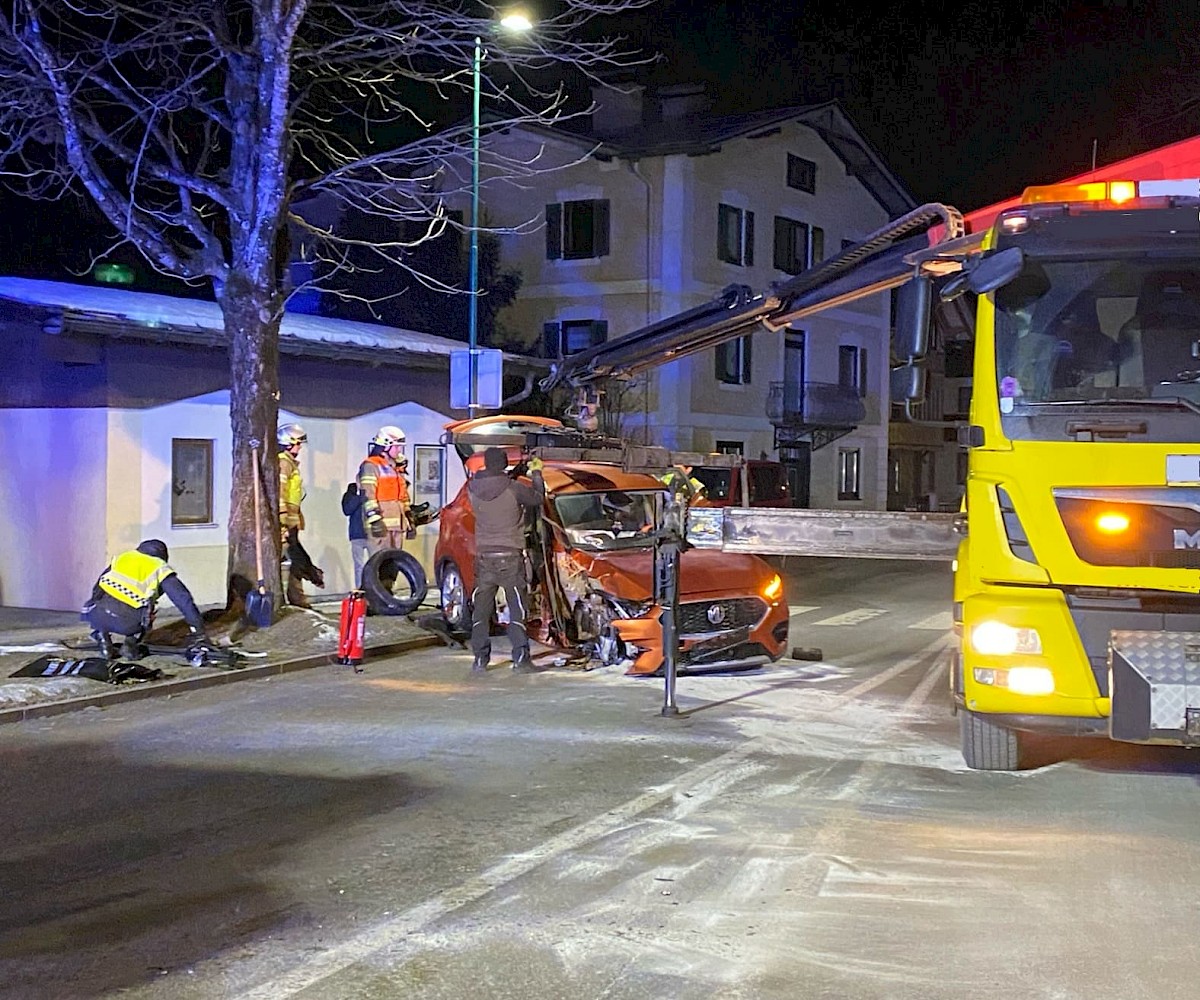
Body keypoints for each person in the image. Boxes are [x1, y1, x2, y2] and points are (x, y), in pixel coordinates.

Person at [467, 447, 546, 674]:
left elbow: (494, 486)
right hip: (510, 556)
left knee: (481, 611)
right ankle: (521, 660)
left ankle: (480, 660)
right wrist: (536, 473)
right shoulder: (513, 487)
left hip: (484, 557)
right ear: (503, 464)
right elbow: (537, 498)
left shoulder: (472, 487)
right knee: (517, 609)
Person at [82, 539, 212, 663]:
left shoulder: (124, 558)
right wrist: (199, 631)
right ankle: (130, 646)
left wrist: (94, 609)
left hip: (97, 615)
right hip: (128, 623)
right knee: (148, 611)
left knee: (102, 605)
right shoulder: (160, 568)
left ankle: (103, 639)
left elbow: (97, 589)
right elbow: (184, 601)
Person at [357, 425, 412, 553]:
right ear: (386, 446)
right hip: (380, 527)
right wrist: (375, 520)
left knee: (394, 563)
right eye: (397, 446)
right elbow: (368, 495)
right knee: (380, 562)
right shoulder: (371, 466)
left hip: (397, 526)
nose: (399, 450)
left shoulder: (395, 468)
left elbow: (402, 496)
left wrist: (409, 517)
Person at [277, 422, 312, 608]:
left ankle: (297, 599)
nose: (300, 448)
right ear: (289, 443)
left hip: (291, 521)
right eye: (298, 444)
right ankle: (294, 599)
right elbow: (280, 491)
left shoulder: (290, 463)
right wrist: (282, 520)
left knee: (295, 560)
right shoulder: (284, 462)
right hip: (285, 522)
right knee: (287, 560)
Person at [341, 482, 370, 589]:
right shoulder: (351, 495)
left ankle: (371, 587)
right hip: (358, 534)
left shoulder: (369, 495)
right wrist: (360, 498)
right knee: (359, 565)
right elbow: (347, 510)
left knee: (372, 563)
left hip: (368, 534)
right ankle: (360, 588)